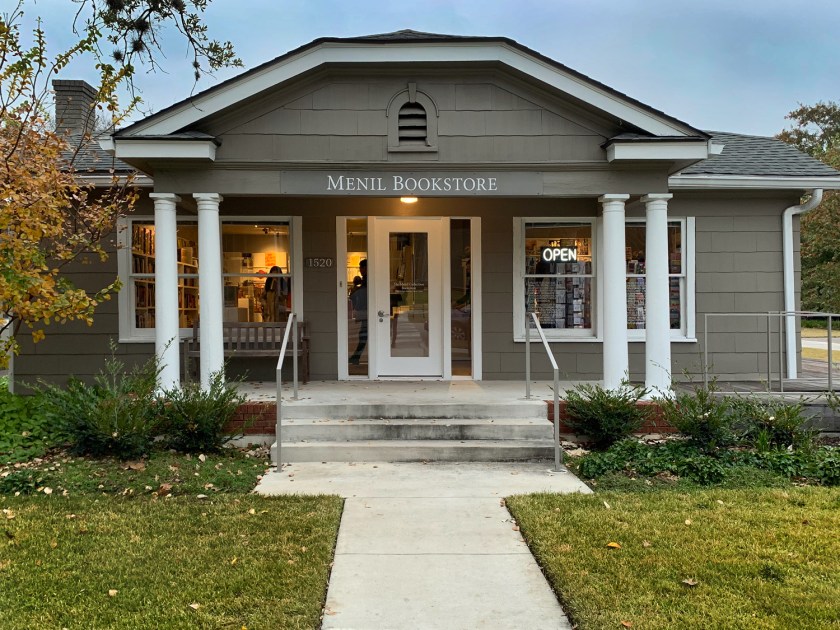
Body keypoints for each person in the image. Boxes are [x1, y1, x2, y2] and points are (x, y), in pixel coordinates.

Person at [349, 259, 368, 364]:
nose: (360, 270)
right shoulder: (365, 279)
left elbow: (361, 293)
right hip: (365, 310)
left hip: (366, 310)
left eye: (361, 267)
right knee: (364, 334)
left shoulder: (367, 280)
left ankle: (356, 357)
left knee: (363, 334)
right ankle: (356, 357)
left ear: (365, 268)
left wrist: (354, 291)